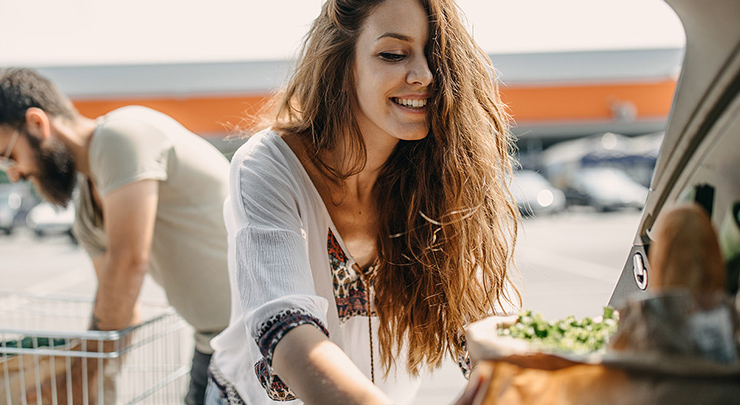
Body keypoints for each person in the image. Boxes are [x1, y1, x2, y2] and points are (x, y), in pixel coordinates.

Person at [208, 0, 521, 403]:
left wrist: (516, 375)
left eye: (436, 56)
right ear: (342, 65)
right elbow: (288, 336)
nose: (425, 75)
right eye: (393, 54)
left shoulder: (444, 176)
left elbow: (489, 320)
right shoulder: (269, 166)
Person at [0, 67, 232, 405]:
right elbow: (118, 307)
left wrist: (76, 383)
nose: (15, 174)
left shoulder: (121, 136)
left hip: (260, 337)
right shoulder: (85, 210)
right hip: (211, 343)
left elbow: (127, 265)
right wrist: (94, 386)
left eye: (8, 156)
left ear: (37, 124)